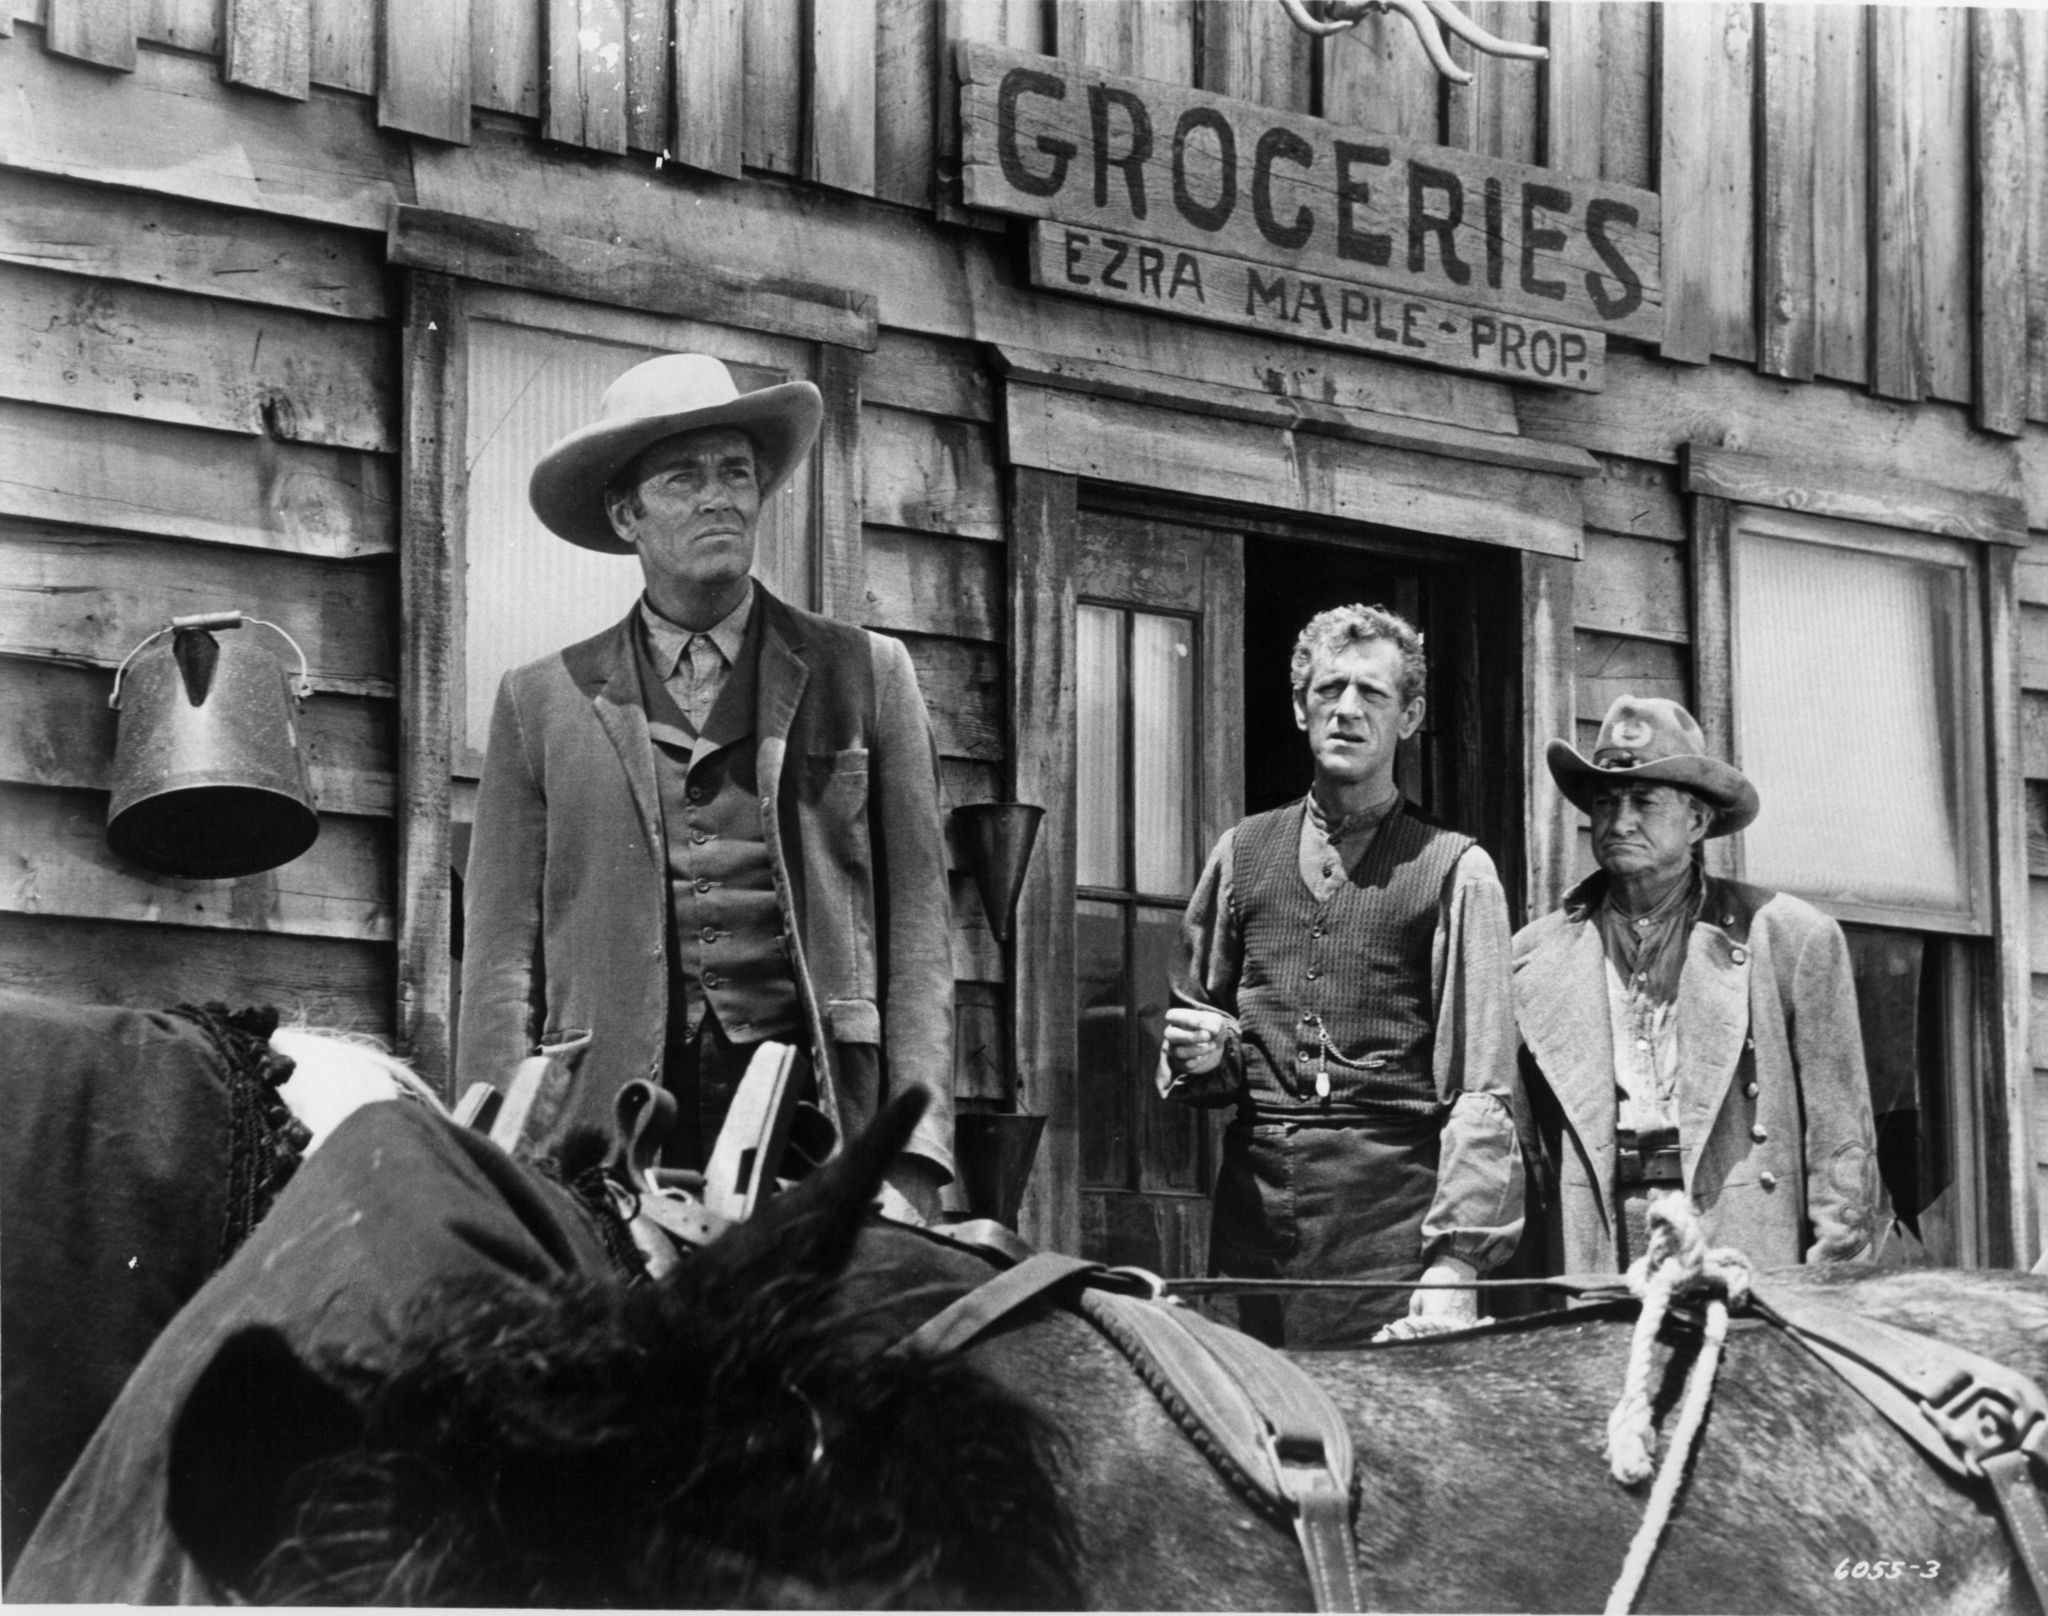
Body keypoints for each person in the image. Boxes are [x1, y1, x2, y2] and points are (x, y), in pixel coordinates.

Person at [457, 354, 954, 1221]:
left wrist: (912, 1152)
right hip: (605, 1124)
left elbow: (917, 936)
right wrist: (495, 1153)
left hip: (815, 1113)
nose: (719, 496)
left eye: (736, 473)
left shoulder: (866, 675)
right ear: (626, 515)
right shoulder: (539, 703)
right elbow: (501, 961)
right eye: (683, 477)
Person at [1157, 605, 1525, 1347]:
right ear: (1301, 707)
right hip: (1250, 1233)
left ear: (1410, 715)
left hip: (1388, 1233)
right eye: (1329, 691)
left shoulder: (1457, 869)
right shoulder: (1241, 852)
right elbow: (1198, 1033)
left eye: (1373, 695)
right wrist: (1199, 1053)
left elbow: (1483, 1089)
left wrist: (1456, 1265)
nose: (1348, 711)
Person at [1512, 696, 1882, 1275]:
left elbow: (1841, 1145)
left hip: (1738, 1242)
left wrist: (1831, 1287)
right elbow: (1523, 1155)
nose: (1621, 820)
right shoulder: (1536, 957)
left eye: (1645, 801)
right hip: (1597, 1244)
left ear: (1697, 821)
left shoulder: (1786, 940)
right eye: (1606, 802)